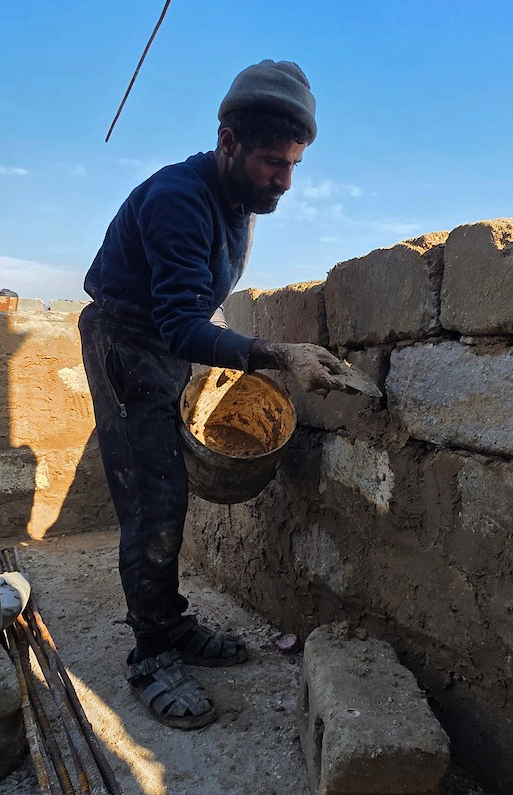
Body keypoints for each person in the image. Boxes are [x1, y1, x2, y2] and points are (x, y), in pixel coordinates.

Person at [79, 59, 350, 729]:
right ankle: (150, 654)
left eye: (292, 165)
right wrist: (279, 355)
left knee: (169, 491)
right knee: (152, 501)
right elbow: (175, 320)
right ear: (227, 142)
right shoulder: (178, 198)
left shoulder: (239, 203)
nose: (284, 181)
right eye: (270, 162)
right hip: (125, 342)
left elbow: (198, 303)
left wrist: (218, 347)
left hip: (163, 345)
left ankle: (169, 624)